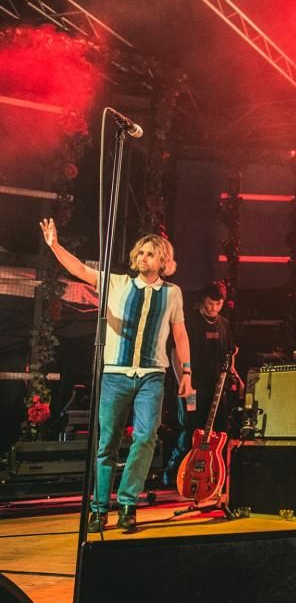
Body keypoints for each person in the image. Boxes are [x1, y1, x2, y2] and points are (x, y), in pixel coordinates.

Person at [39, 218, 193, 531]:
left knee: (146, 437)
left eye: (151, 254)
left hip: (152, 374)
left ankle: (127, 502)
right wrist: (55, 245)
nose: (143, 258)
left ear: (163, 261)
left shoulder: (173, 293)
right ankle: (99, 509)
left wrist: (186, 372)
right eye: (141, 253)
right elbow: (80, 270)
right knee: (107, 443)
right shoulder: (117, 283)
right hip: (116, 374)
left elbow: (179, 334)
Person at [163, 280, 238, 486]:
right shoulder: (190, 321)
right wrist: (183, 381)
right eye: (210, 303)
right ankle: (174, 475)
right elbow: (175, 352)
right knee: (190, 430)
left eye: (218, 304)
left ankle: (215, 476)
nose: (213, 308)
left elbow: (230, 355)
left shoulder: (224, 325)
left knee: (219, 431)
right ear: (203, 300)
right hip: (192, 387)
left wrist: (234, 378)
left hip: (216, 390)